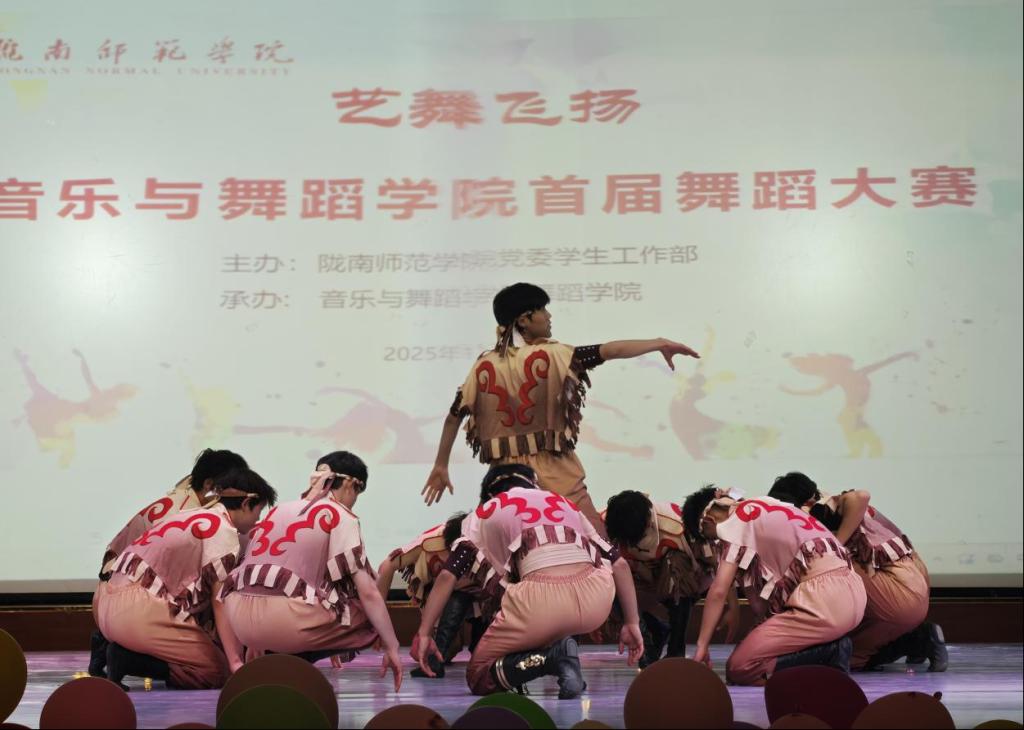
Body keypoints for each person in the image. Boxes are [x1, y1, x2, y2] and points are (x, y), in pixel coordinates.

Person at [422, 282, 699, 535]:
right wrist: (659, 343)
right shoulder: (555, 355)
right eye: (542, 310)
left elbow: (454, 416)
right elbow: (610, 350)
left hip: (507, 481)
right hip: (557, 472)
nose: (549, 316)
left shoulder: (484, 365)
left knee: (509, 555)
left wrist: (440, 465)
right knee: (597, 547)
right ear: (524, 320)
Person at [412, 464, 644, 698]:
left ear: (488, 493)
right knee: (553, 615)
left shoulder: (484, 512)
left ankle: (550, 659)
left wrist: (424, 633)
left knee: (479, 675)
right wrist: (632, 623)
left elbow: (448, 575)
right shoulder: (564, 503)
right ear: (534, 482)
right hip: (596, 601)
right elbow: (620, 565)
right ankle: (565, 660)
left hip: (539, 603)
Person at [220, 451, 403, 691]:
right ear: (350, 484)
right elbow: (368, 592)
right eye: (358, 492)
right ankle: (294, 661)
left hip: (240, 621)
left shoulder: (279, 510)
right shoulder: (341, 515)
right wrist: (392, 646)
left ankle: (279, 656)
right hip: (286, 620)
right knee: (368, 615)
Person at [94, 467, 276, 689]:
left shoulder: (192, 513)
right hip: (138, 609)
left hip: (106, 603)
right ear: (247, 504)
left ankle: (113, 648)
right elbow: (220, 601)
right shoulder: (223, 530)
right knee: (215, 671)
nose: (258, 519)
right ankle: (128, 659)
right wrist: (235, 662)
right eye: (259, 511)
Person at [684, 485, 867, 685]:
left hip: (822, 601)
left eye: (711, 538)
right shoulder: (767, 503)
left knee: (740, 667)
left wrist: (702, 645)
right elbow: (759, 606)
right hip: (854, 592)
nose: (717, 544)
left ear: (709, 521)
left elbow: (718, 591)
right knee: (753, 652)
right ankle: (828, 650)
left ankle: (832, 651)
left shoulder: (735, 523)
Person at [768, 472, 946, 672]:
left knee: (812, 567)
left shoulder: (823, 507)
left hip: (896, 592)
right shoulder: (834, 512)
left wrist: (836, 546)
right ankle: (919, 639)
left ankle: (916, 639)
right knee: (855, 652)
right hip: (912, 586)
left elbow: (861, 496)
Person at [603, 489, 738, 666]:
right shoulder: (607, 523)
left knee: (676, 564)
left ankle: (676, 648)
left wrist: (733, 606)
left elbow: (720, 566)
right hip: (638, 579)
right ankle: (650, 636)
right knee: (606, 575)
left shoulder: (677, 526)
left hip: (682, 580)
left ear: (648, 522)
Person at [376, 512, 486, 678]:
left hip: (481, 599)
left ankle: (481, 645)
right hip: (440, 597)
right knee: (438, 652)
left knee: (483, 653)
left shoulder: (489, 543)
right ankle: (442, 648)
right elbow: (387, 566)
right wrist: (378, 623)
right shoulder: (431, 541)